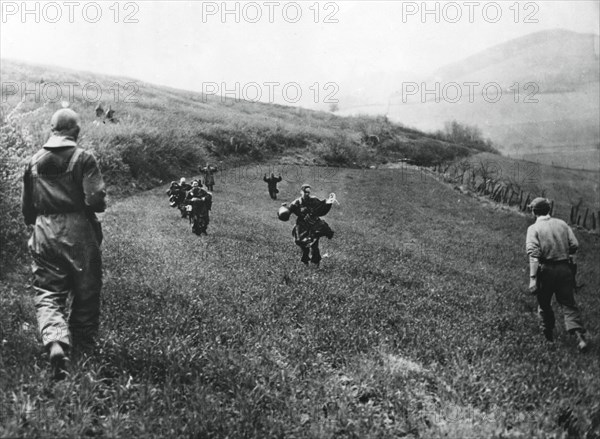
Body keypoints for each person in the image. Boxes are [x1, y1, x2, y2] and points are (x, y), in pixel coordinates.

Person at [22, 108, 106, 379]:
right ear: (77, 131)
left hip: (44, 231)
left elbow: (27, 209)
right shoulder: (84, 158)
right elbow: (95, 200)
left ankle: (56, 341)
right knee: (86, 290)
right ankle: (82, 348)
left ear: (52, 128)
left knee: (47, 292)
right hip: (78, 230)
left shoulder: (34, 162)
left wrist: (40, 225)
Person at [526, 197, 588, 352]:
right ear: (549, 210)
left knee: (544, 304)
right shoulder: (562, 224)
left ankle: (549, 340)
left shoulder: (533, 229)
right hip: (564, 269)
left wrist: (533, 279)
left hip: (545, 270)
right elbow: (574, 245)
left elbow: (534, 255)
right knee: (568, 304)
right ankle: (580, 338)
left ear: (534, 212)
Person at [285, 183, 335, 267]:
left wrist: (329, 202)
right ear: (301, 192)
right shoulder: (296, 203)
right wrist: (284, 210)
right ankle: (305, 262)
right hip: (301, 226)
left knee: (315, 246)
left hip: (313, 225)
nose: (307, 194)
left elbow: (322, 207)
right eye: (305, 192)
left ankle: (316, 263)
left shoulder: (314, 200)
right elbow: (288, 211)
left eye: (309, 192)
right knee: (304, 246)